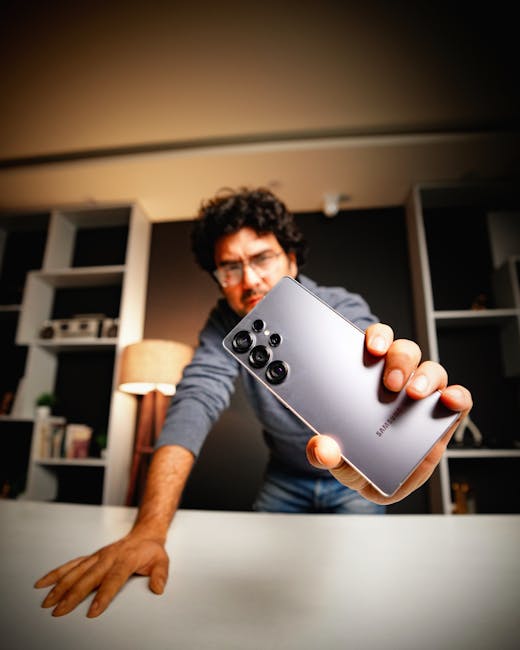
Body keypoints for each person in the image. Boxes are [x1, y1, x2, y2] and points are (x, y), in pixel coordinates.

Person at [34, 187, 472, 618]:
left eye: (262, 258)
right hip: (284, 477)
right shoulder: (224, 324)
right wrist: (148, 531)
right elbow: (195, 400)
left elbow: (379, 354)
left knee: (357, 595)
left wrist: (400, 378)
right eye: (230, 267)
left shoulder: (339, 305)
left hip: (352, 480)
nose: (249, 280)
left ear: (291, 259)